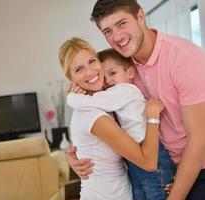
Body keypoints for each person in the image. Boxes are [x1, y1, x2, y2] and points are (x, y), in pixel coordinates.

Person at [67, 0, 205, 199]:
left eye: (122, 23)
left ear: (141, 16)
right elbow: (86, 80)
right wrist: (75, 156)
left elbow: (199, 141)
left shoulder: (185, 58)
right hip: (147, 169)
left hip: (197, 169)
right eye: (107, 31)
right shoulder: (118, 64)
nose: (117, 37)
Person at [59, 37, 164, 200]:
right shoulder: (94, 115)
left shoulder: (106, 104)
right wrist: (153, 116)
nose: (90, 72)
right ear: (72, 79)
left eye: (92, 61)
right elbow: (149, 163)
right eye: (79, 69)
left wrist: (72, 157)